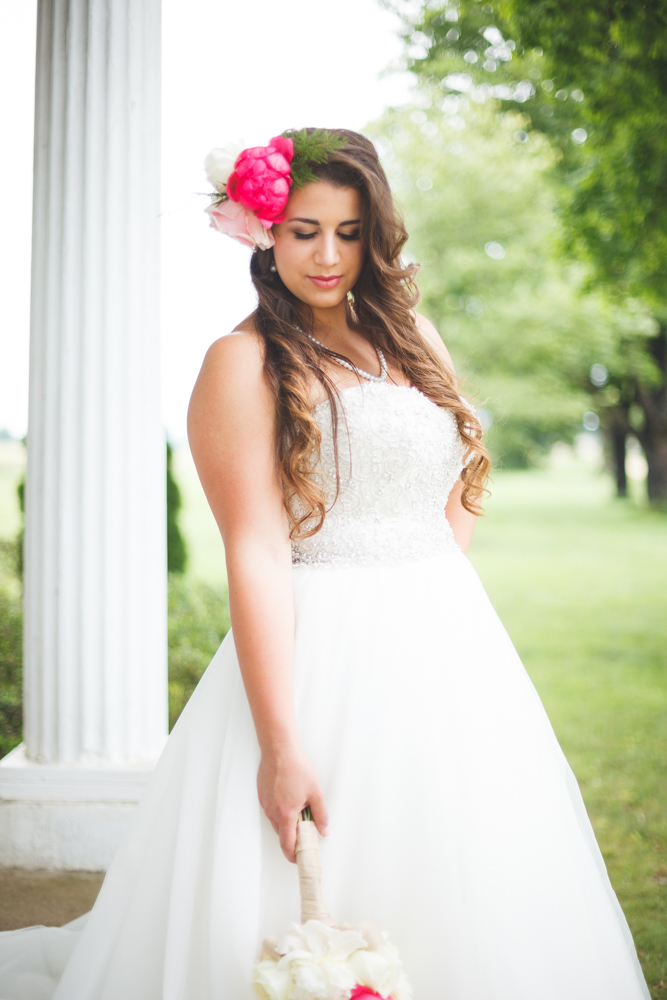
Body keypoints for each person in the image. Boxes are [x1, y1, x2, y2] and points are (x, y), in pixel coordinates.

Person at [0, 129, 650, 1000]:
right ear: (264, 231)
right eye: (305, 229)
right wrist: (279, 747)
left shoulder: (412, 335)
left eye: (348, 232)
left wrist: (420, 590)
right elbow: (258, 550)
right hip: (315, 660)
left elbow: (456, 478)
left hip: (450, 649)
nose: (327, 255)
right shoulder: (242, 362)